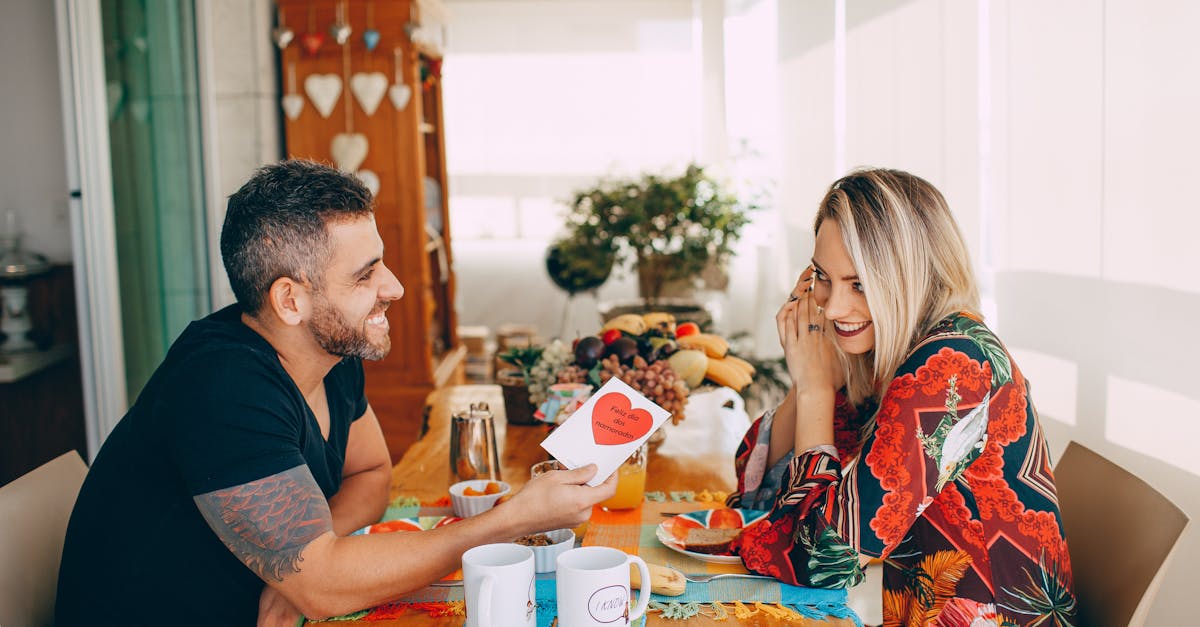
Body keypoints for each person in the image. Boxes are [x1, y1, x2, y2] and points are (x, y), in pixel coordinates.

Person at [56, 160, 617, 626]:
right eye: (364, 275)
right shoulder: (221, 387)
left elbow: (371, 476)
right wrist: (507, 522)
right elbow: (324, 588)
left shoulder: (330, 351)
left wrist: (298, 568)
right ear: (290, 300)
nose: (393, 288)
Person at [728, 168, 1076, 626]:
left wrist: (815, 389)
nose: (832, 307)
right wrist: (809, 369)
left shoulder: (951, 367)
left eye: (859, 284)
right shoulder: (891, 350)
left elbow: (821, 559)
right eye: (822, 277)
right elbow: (759, 490)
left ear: (911, 278)